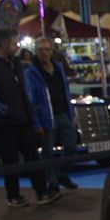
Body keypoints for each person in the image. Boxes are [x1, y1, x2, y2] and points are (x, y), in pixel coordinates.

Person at [0, 29, 59, 208]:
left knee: (32, 156)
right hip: (5, 123)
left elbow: (26, 92)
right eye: (14, 43)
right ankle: (13, 195)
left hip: (23, 120)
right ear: (3, 44)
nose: (17, 46)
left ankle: (41, 191)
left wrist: (29, 114)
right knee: (10, 160)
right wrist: (5, 111)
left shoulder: (16, 64)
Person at [26, 36, 78, 191]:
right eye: (40, 50)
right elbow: (31, 99)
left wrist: (71, 114)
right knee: (48, 151)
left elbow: (65, 91)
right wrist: (36, 122)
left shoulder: (58, 68)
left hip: (62, 113)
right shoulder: (31, 72)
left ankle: (61, 173)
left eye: (47, 49)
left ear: (51, 51)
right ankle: (53, 182)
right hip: (46, 116)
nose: (43, 53)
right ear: (36, 52)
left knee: (71, 147)